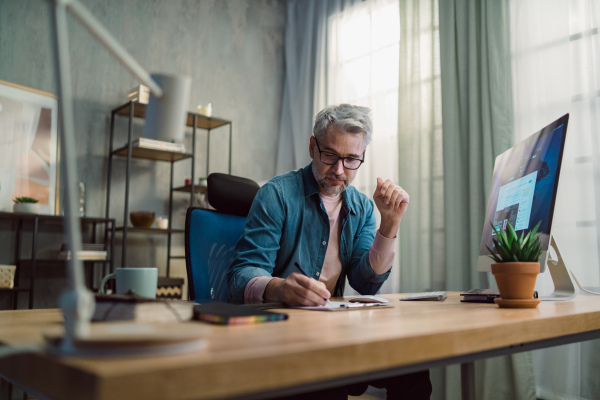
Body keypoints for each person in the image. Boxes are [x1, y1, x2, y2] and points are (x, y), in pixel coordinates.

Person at [227, 104, 432, 399]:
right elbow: (241, 275)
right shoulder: (277, 195)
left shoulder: (361, 207)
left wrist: (389, 223)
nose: (339, 171)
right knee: (326, 381)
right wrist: (281, 288)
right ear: (313, 146)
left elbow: (365, 283)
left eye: (351, 160)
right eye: (330, 156)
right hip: (280, 334)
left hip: (334, 332)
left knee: (415, 363)